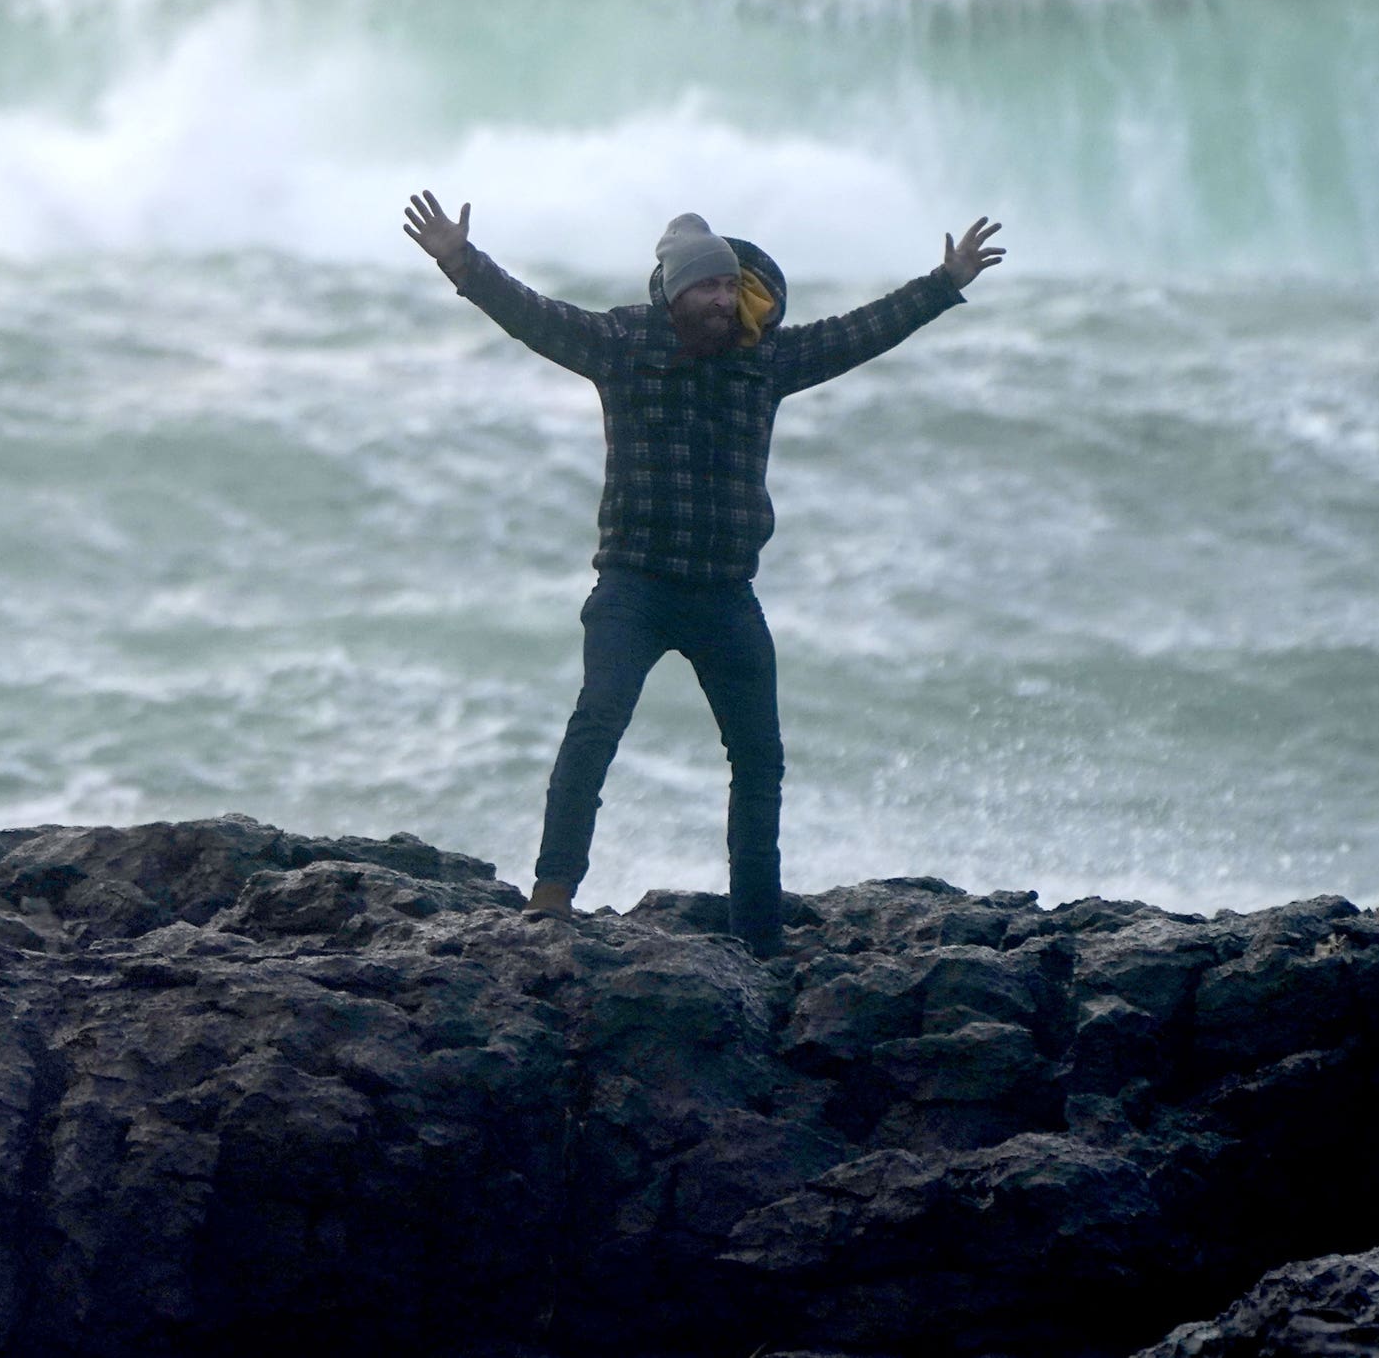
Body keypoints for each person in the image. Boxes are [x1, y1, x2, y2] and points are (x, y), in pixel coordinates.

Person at [402, 192, 1004, 956]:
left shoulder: (765, 356)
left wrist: (942, 283)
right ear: (673, 290)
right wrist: (459, 261)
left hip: (726, 593)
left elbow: (859, 333)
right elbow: (534, 315)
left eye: (730, 286)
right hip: (635, 587)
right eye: (708, 286)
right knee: (596, 724)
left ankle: (756, 933)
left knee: (759, 761)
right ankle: (551, 893)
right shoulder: (621, 343)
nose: (722, 298)